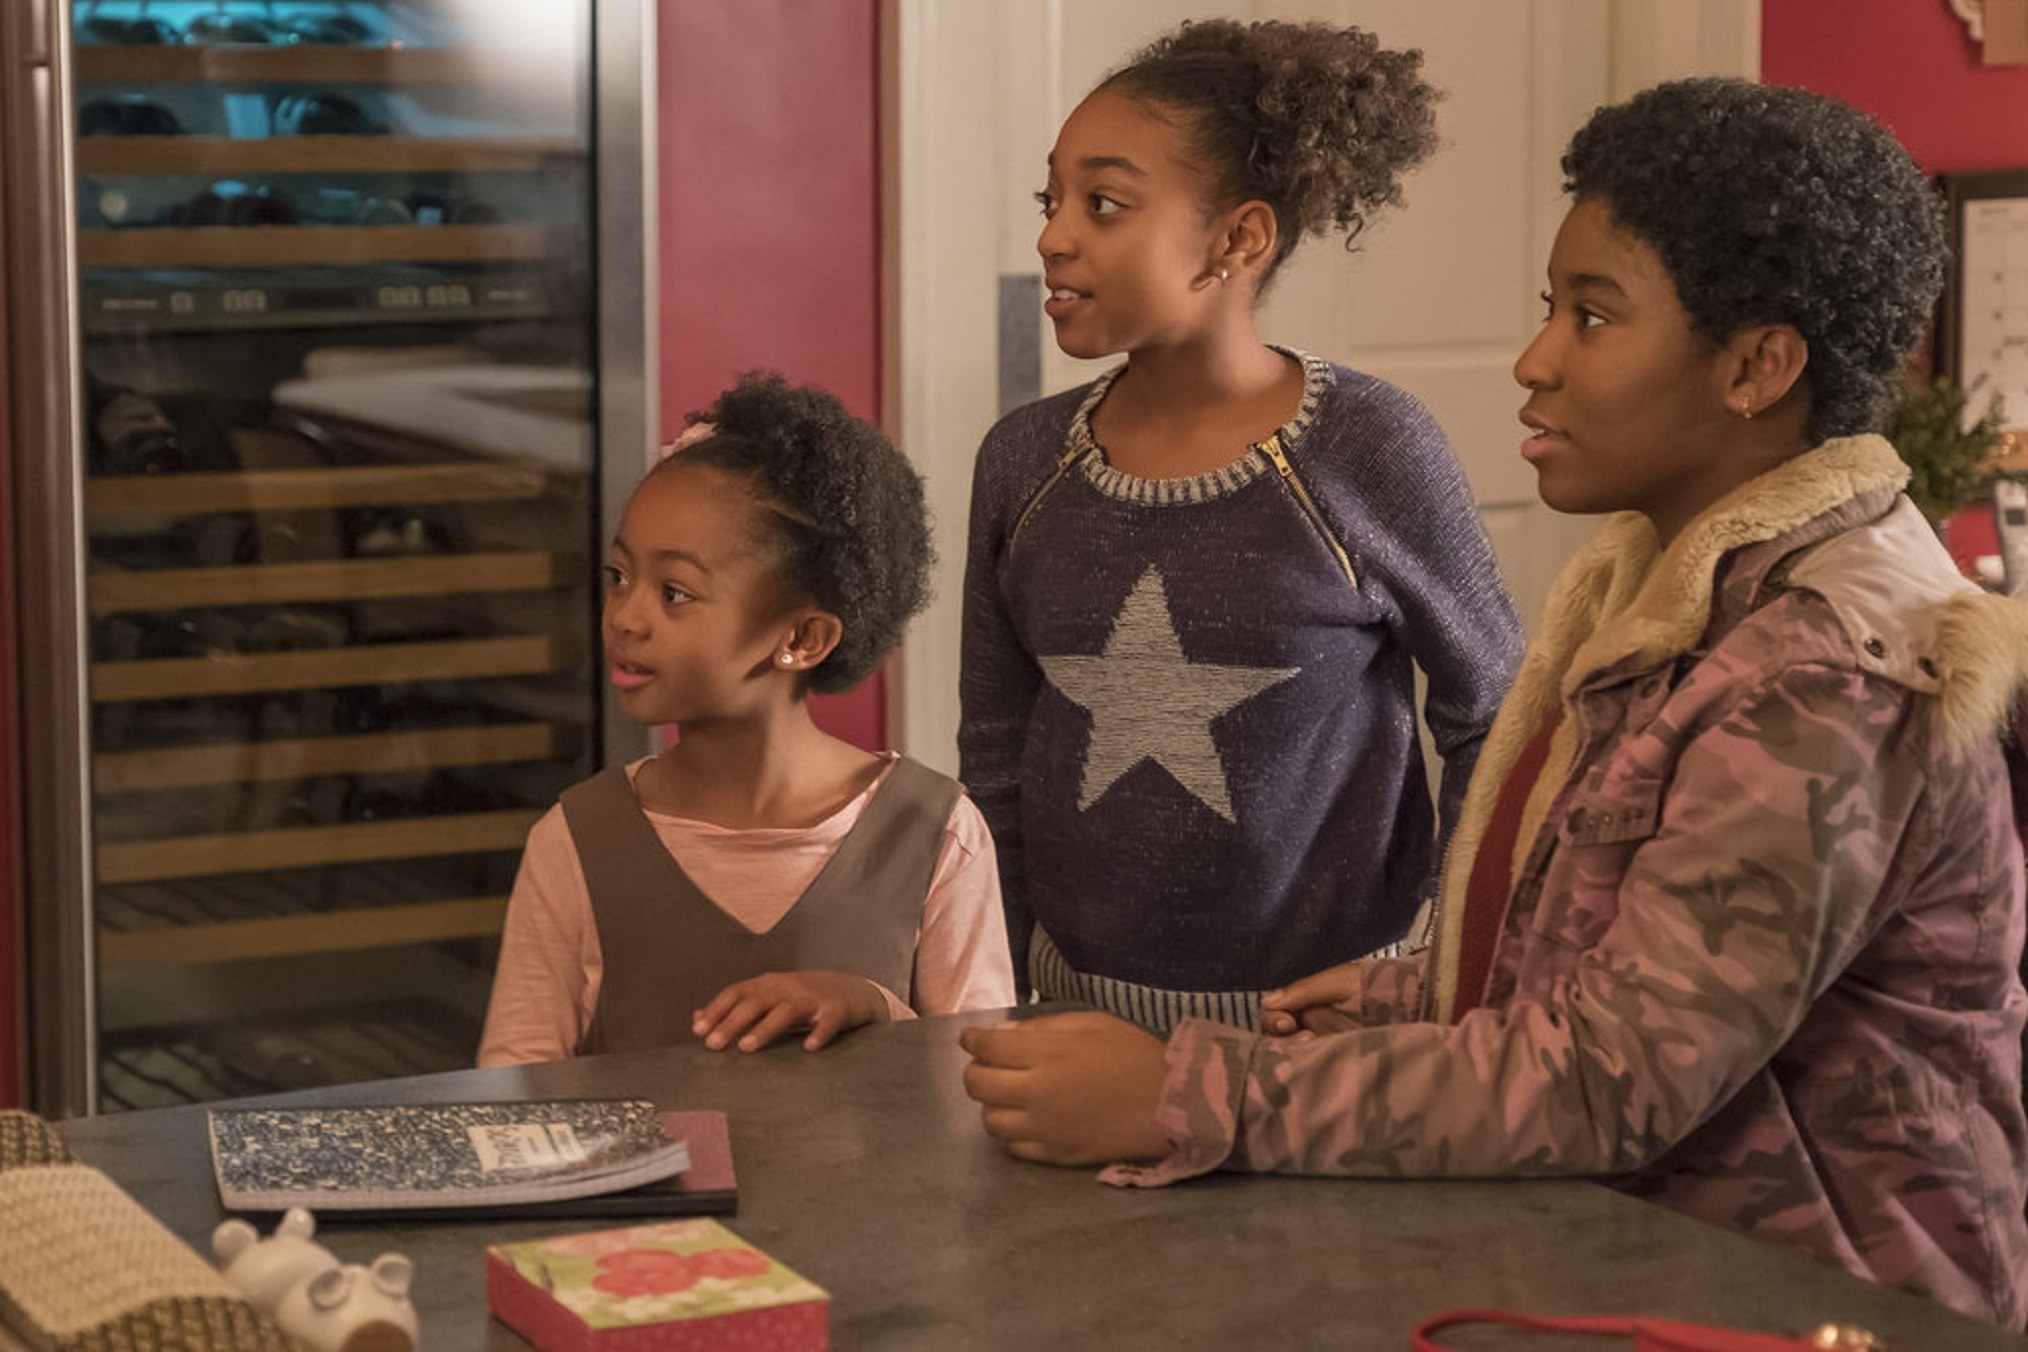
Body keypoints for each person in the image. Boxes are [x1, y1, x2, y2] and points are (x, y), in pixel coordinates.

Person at [961, 78, 2028, 1327]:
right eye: (1548, 308)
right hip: (1644, 1276)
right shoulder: (1691, 604)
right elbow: (1638, 958)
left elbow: (1614, 1076)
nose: (1535, 362)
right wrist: (1422, 991)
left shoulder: (1821, 674)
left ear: (1754, 366)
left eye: (1592, 316)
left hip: (1803, 1306)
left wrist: (1195, 1091)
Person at [959, 18, 1522, 1033]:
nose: (1053, 234)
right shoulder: (1022, 462)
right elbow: (995, 749)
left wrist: (1445, 962)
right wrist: (999, 983)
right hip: (1077, 1021)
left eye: (1104, 204)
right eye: (1052, 201)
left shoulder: (1370, 447)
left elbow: (1495, 713)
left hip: (1322, 1041)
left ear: (1239, 238)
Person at [480, 374, 1013, 1065]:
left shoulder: (936, 834)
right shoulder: (574, 843)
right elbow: (514, 1097)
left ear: (802, 639)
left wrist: (875, 1006)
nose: (626, 616)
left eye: (674, 593)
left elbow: (983, 1091)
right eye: (619, 576)